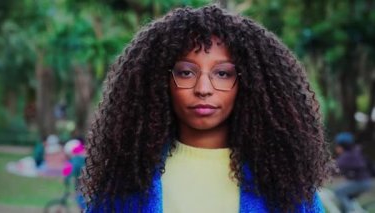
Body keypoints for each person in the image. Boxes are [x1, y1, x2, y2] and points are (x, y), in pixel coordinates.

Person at [80, 5, 333, 212]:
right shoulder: (126, 185)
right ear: (160, 82)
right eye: (186, 72)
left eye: (222, 73)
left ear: (248, 84)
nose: (203, 88)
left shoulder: (285, 189)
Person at [333, 132, 373, 213]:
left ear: (342, 146)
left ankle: (351, 211)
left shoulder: (347, 156)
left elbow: (334, 168)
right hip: (366, 181)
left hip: (361, 182)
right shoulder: (355, 152)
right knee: (347, 197)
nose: (336, 148)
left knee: (339, 191)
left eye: (337, 146)